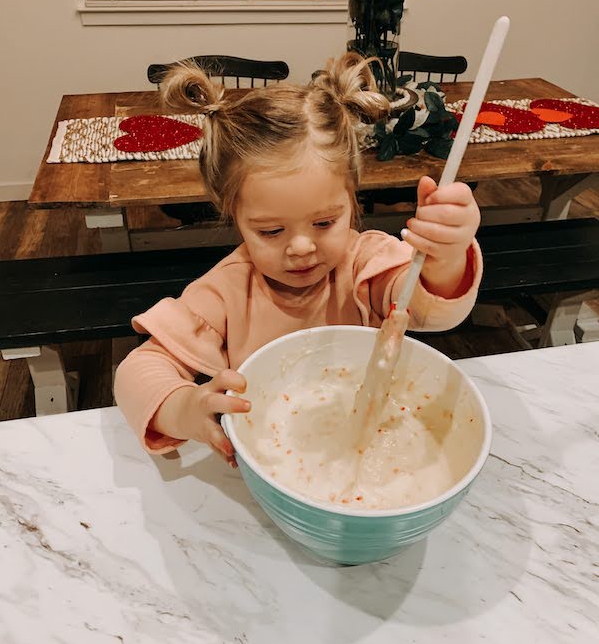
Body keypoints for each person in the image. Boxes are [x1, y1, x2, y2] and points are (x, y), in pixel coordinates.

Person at [114, 52, 482, 466]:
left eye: (325, 222)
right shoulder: (228, 290)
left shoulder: (365, 263)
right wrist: (185, 408)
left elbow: (431, 310)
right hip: (271, 456)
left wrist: (445, 257)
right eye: (271, 231)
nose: (302, 248)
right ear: (232, 214)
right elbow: (135, 372)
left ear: (351, 199)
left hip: (370, 447)